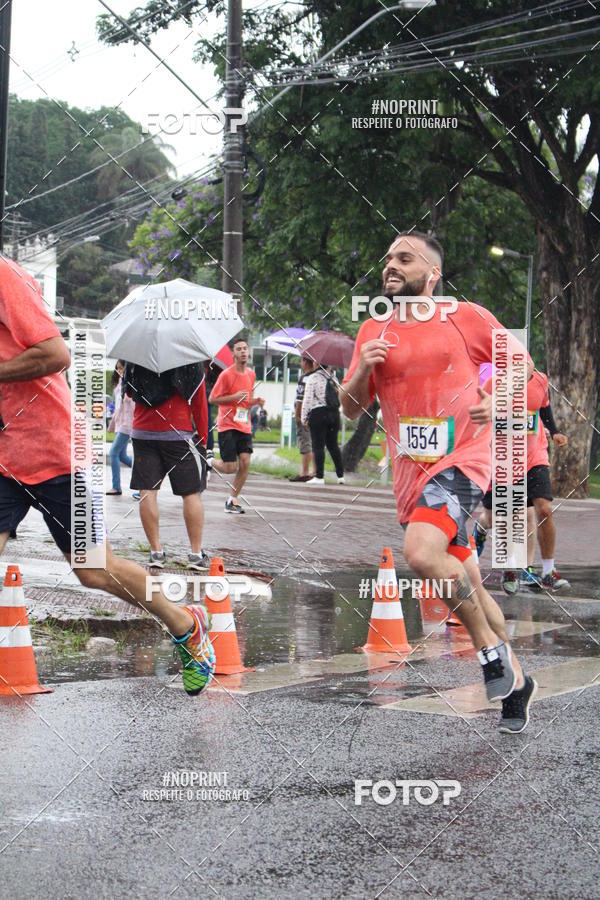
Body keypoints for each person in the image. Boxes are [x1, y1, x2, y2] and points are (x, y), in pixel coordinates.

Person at [342, 231, 536, 734]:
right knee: (466, 579)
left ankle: (490, 653)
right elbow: (350, 406)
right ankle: (517, 678)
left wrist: (497, 399)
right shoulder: (373, 329)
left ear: (432, 274)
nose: (391, 265)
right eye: (388, 258)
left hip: (465, 458)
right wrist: (362, 369)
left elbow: (523, 367)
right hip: (411, 473)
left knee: (422, 554)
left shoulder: (464, 316)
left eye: (404, 259)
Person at [0, 255, 214, 696]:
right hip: (4, 459)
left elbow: (55, 353)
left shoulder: (5, 276)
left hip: (58, 452)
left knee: (94, 570)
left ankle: (185, 624)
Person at [475, 371, 569, 592]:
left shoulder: (540, 380)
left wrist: (554, 431)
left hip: (534, 454)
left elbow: (543, 406)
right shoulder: (493, 384)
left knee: (540, 510)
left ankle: (546, 571)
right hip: (502, 458)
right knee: (501, 516)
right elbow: (480, 417)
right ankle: (506, 563)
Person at [124, 361, 210, 570]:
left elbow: (128, 392)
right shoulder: (189, 358)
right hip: (177, 432)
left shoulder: (137, 356)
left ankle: (156, 553)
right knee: (191, 493)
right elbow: (199, 401)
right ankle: (196, 554)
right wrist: (204, 437)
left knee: (148, 491)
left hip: (142, 432)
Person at [209, 337, 264, 514]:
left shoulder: (251, 374)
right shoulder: (226, 375)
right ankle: (208, 461)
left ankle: (232, 500)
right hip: (227, 425)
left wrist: (256, 401)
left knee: (246, 462)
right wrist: (233, 397)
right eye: (239, 349)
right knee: (229, 467)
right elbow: (212, 399)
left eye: (245, 349)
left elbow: (245, 401)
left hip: (243, 424)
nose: (243, 352)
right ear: (233, 353)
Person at [301, 361, 345, 485]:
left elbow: (307, 399)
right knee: (333, 445)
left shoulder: (312, 378)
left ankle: (319, 477)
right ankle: (340, 476)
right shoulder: (334, 378)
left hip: (318, 414)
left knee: (318, 445)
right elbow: (339, 397)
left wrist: (304, 416)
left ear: (317, 364)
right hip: (334, 414)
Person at [106, 360, 135, 496]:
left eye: (122, 368)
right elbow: (117, 409)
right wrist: (112, 426)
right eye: (117, 369)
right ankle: (143, 475)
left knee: (113, 453)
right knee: (122, 456)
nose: (119, 371)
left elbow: (131, 404)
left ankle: (116, 487)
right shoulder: (119, 385)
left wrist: (126, 386)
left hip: (127, 425)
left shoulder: (130, 384)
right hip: (120, 424)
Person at [289, 355, 316, 482]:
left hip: (304, 415)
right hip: (316, 415)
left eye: (301, 360)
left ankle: (304, 472)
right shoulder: (318, 376)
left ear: (305, 362)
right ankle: (315, 472)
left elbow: (300, 398)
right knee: (316, 444)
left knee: (305, 442)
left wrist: (298, 416)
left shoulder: (304, 378)